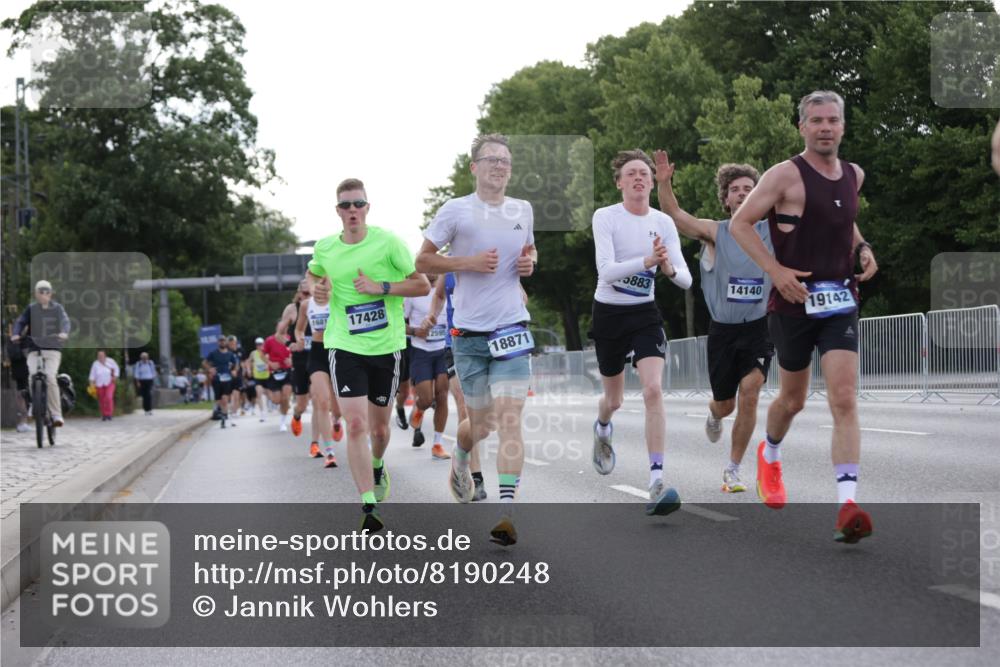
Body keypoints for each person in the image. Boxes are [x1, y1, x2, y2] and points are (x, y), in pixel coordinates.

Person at [730, 90, 878, 544]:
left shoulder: (854, 175)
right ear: (803, 127)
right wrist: (774, 272)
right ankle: (770, 453)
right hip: (793, 304)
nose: (826, 127)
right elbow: (740, 223)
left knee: (845, 399)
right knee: (792, 400)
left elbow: (842, 220)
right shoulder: (783, 176)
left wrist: (862, 247)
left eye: (833, 120)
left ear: (844, 126)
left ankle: (847, 504)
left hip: (840, 300)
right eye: (816, 120)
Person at [416, 133, 537, 546]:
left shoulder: (523, 209)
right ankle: (462, 456)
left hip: (511, 330)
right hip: (468, 336)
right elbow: (423, 260)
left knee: (508, 419)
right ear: (475, 167)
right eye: (491, 159)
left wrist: (529, 262)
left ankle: (507, 513)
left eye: (505, 161)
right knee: (480, 425)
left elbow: (529, 251)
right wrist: (466, 262)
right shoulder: (456, 210)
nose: (500, 166)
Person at [307, 177, 430, 532]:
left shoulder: (389, 242)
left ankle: (378, 464)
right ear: (338, 211)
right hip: (344, 345)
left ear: (367, 207)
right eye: (346, 206)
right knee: (356, 424)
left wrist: (382, 288)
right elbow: (315, 274)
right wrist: (319, 290)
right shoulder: (327, 248)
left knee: (379, 429)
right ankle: (368, 505)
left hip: (387, 347)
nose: (352, 211)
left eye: (358, 204)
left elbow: (421, 284)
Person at [655, 150, 774, 494]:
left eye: (749, 187)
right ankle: (714, 412)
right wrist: (664, 183)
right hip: (723, 330)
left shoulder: (773, 231)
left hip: (758, 326)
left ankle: (733, 470)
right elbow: (674, 214)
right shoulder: (714, 231)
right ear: (726, 198)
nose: (742, 192)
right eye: (735, 189)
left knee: (751, 391)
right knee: (726, 403)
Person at [589, 149, 691, 516]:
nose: (638, 178)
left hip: (645, 314)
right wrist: (645, 261)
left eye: (644, 174)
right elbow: (606, 271)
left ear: (651, 181)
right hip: (609, 315)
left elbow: (685, 279)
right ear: (619, 182)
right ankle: (603, 427)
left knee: (652, 389)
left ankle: (656, 480)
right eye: (631, 173)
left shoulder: (663, 222)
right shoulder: (606, 217)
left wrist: (665, 267)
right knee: (614, 400)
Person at [403, 274, 452, 460]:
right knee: (426, 398)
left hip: (443, 350)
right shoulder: (413, 292)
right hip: (420, 351)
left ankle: (437, 444)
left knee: (442, 395)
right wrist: (415, 331)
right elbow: (397, 323)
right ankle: (419, 408)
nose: (432, 271)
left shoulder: (447, 290)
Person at [296, 281, 344, 466]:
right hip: (316, 354)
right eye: (317, 282)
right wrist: (300, 339)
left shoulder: (337, 299)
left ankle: (337, 420)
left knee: (337, 408)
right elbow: (299, 329)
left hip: (337, 352)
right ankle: (329, 452)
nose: (321, 286)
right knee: (322, 401)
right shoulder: (306, 305)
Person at [11, 280, 71, 427]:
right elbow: (20, 321)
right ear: (36, 294)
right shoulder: (31, 309)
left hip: (52, 349)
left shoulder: (57, 308)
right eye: (41, 291)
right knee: (32, 375)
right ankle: (33, 405)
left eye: (47, 291)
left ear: (51, 294)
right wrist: (16, 334)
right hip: (34, 349)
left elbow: (65, 321)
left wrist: (64, 332)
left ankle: (56, 414)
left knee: (50, 377)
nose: (44, 294)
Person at [288, 282, 313, 437]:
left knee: (320, 399)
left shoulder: (321, 305)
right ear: (298, 294)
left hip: (318, 356)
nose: (306, 297)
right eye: (303, 294)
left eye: (309, 293)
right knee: (302, 405)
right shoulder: (292, 309)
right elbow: (279, 333)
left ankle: (321, 439)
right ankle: (297, 416)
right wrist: (290, 344)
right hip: (300, 360)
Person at [263, 321, 294, 431]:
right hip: (274, 373)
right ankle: (270, 394)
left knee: (285, 397)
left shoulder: (290, 339)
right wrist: (270, 363)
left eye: (285, 326)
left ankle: (283, 422)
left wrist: (291, 360)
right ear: (277, 327)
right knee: (277, 400)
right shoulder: (269, 340)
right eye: (281, 326)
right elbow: (263, 354)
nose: (284, 328)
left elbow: (297, 353)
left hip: (287, 371)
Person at [203, 335, 239, 429]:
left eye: (223, 341)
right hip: (217, 379)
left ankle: (224, 417)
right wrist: (210, 369)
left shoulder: (230, 354)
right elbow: (204, 362)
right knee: (219, 400)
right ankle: (224, 413)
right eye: (220, 341)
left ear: (226, 342)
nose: (222, 342)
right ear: (218, 342)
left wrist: (234, 371)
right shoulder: (213, 353)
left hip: (227, 379)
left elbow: (235, 364)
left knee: (225, 398)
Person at [7, 336, 31, 432]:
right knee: (24, 396)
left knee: (21, 395)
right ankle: (23, 422)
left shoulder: (12, 339)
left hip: (17, 370)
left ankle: (23, 422)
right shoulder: (26, 339)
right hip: (25, 370)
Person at [89, 349, 120, 421]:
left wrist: (115, 376)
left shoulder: (111, 361)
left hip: (110, 382)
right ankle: (104, 415)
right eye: (99, 355)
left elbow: (117, 369)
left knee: (109, 397)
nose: (100, 357)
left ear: (105, 355)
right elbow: (92, 374)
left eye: (101, 355)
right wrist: (91, 383)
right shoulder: (95, 363)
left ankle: (109, 414)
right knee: (102, 399)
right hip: (99, 384)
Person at [247, 337, 271, 420]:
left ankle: (269, 406)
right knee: (259, 394)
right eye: (257, 344)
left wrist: (267, 366)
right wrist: (248, 370)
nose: (259, 346)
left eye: (260, 344)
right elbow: (248, 362)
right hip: (258, 377)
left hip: (267, 376)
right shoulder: (253, 353)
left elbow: (270, 362)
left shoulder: (266, 353)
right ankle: (262, 413)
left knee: (270, 395)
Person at [226, 335, 245, 417]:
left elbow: (242, 362)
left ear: (235, 342)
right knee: (229, 395)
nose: (232, 344)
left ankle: (235, 411)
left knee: (236, 393)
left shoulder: (240, 350)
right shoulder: (226, 351)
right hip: (228, 375)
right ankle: (229, 409)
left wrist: (245, 370)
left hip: (238, 374)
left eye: (233, 342)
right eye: (230, 343)